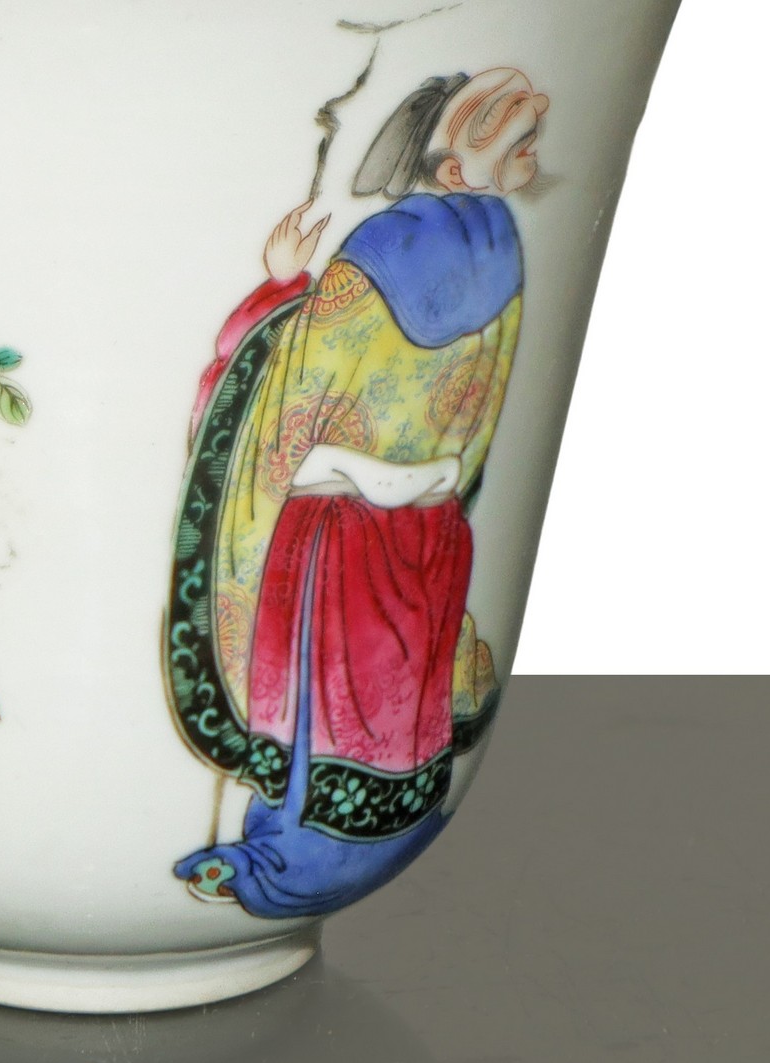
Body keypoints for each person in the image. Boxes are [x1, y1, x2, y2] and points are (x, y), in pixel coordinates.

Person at [167, 67, 549, 918]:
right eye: (520, 144)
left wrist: (278, 289)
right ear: (459, 167)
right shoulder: (491, 247)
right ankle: (336, 850)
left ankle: (290, 856)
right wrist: (430, 475)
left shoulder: (384, 251)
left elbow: (287, 397)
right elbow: (473, 410)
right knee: (380, 706)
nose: (533, 160)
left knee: (342, 708)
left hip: (347, 525)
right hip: (418, 523)